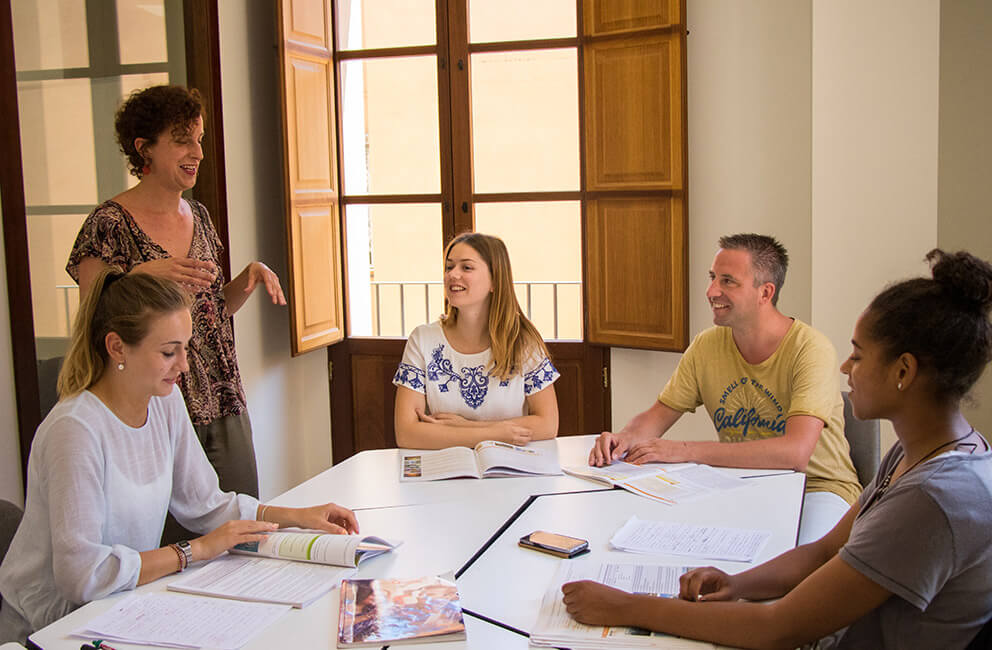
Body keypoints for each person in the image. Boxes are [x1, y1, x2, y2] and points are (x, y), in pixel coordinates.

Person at [563, 249, 992, 649]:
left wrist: (627, 607)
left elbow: (777, 628)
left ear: (903, 370)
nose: (846, 368)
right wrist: (738, 584)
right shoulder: (914, 454)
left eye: (859, 357)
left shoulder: (933, 498)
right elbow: (825, 552)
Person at [0, 270, 358, 646]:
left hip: (119, 610)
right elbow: (81, 575)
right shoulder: (75, 430)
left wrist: (295, 517)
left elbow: (206, 505)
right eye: (168, 352)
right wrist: (195, 550)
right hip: (51, 630)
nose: (183, 365)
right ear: (117, 347)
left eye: (185, 348)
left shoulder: (165, 403)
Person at [66, 84, 283, 501]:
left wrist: (246, 279)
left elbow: (211, 312)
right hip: (154, 399)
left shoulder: (198, 215)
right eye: (183, 140)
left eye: (199, 140)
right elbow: (92, 318)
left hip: (221, 396)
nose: (198, 153)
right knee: (172, 540)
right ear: (144, 148)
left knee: (240, 522)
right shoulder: (108, 223)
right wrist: (140, 275)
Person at [589, 234, 861, 543]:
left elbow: (795, 453)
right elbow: (657, 416)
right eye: (712, 278)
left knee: (794, 566)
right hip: (741, 483)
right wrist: (624, 439)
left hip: (816, 488)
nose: (711, 291)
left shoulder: (811, 349)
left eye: (728, 281)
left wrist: (685, 451)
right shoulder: (706, 346)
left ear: (765, 292)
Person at [393, 232, 559, 448]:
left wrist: (464, 427)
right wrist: (494, 434)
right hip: (445, 470)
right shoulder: (422, 339)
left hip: (509, 471)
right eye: (449, 266)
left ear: (495, 280)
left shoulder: (524, 341)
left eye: (466, 267)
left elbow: (548, 424)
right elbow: (406, 433)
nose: (453, 274)